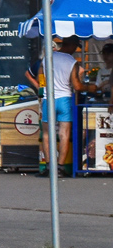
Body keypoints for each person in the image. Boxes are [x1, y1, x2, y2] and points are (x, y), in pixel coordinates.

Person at [34, 36, 91, 176]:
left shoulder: (47, 58)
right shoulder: (72, 62)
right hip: (65, 99)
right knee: (64, 134)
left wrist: (44, 90)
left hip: (49, 99)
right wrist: (91, 88)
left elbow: (39, 79)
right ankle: (60, 167)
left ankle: (48, 167)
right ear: (72, 46)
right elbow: (77, 86)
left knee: (47, 134)